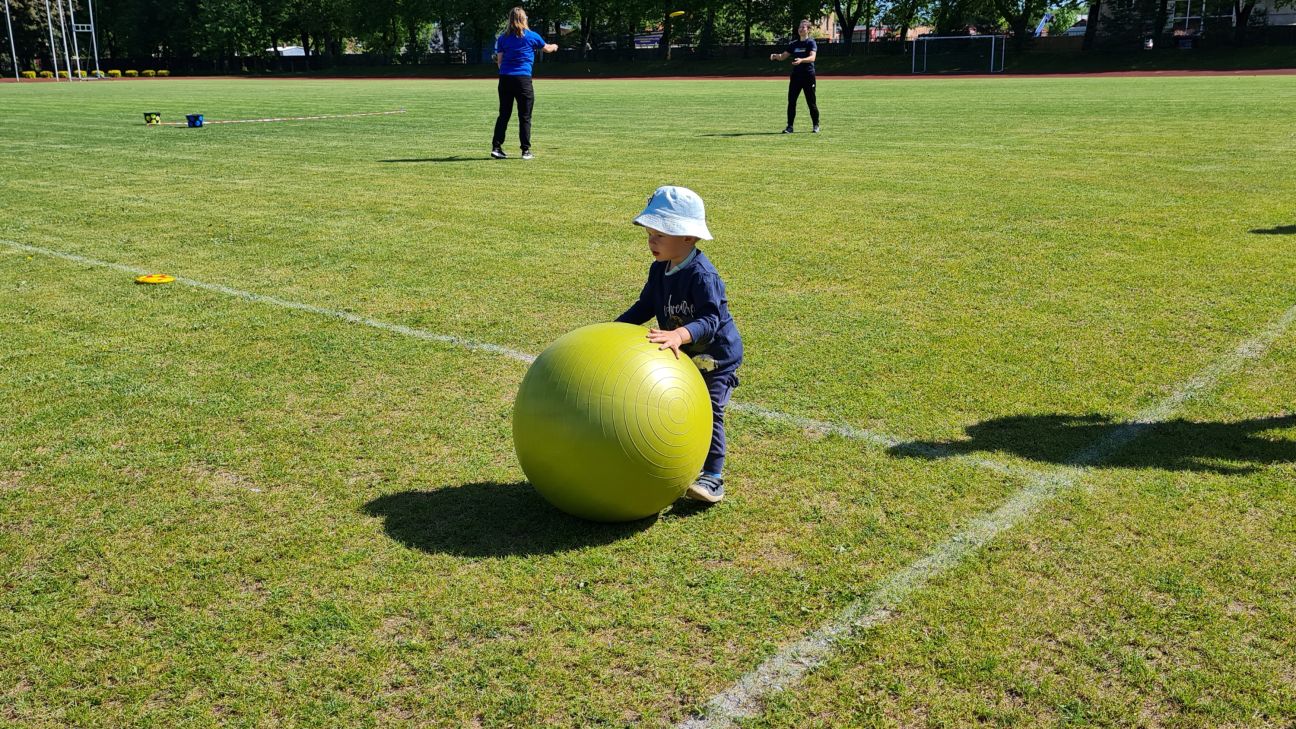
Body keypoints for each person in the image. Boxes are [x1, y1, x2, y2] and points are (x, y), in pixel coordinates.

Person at [615, 186, 743, 504]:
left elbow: (710, 321)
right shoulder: (660, 269)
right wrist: (614, 329)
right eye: (649, 234)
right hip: (685, 353)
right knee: (671, 405)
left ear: (688, 237)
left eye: (660, 234)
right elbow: (645, 306)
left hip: (716, 357)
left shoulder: (702, 276)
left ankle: (713, 478)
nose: (651, 242)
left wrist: (678, 335)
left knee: (710, 409)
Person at [491, 7, 558, 160]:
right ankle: (525, 150)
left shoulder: (502, 38)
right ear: (524, 19)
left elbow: (499, 62)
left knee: (504, 114)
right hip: (523, 80)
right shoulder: (532, 36)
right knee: (525, 116)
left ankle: (496, 147)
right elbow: (547, 48)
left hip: (505, 79)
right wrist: (555, 46)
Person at [769, 19, 820, 134]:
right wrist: (775, 56)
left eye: (803, 27)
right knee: (791, 101)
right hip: (796, 77)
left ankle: (816, 125)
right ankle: (790, 127)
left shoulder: (811, 43)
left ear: (808, 30)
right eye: (800, 27)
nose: (801, 29)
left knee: (811, 102)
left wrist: (802, 60)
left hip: (808, 76)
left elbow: (812, 58)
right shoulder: (794, 44)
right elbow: (783, 56)